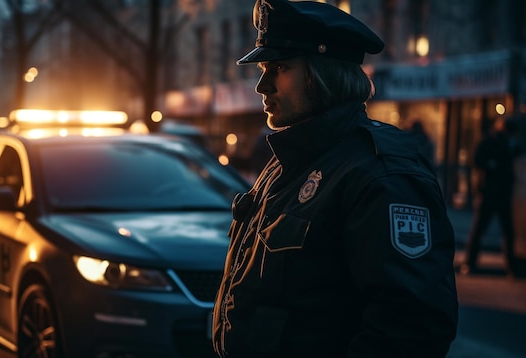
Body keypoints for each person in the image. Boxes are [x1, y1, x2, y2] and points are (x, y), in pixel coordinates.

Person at [211, 1, 458, 357]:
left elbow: (409, 329)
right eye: (264, 68)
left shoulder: (381, 173)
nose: (262, 86)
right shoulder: (289, 161)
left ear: (321, 73)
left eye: (279, 68)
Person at [461, 117, 522, 276]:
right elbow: (477, 160)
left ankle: (512, 267)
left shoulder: (511, 144)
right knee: (480, 229)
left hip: (502, 193)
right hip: (489, 192)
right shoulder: (489, 142)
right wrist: (492, 165)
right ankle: (470, 262)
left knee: (507, 231)